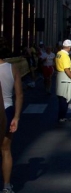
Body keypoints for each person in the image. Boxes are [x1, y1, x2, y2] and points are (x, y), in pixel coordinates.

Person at [0, 38, 23, 193]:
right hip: (7, 110)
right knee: (6, 150)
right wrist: (16, 117)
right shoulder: (12, 68)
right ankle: (7, 186)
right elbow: (19, 95)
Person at [55, 40, 71, 122]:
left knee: (61, 97)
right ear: (69, 47)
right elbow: (66, 69)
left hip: (59, 75)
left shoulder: (59, 53)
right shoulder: (65, 56)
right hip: (64, 76)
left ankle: (61, 116)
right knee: (64, 97)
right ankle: (61, 116)